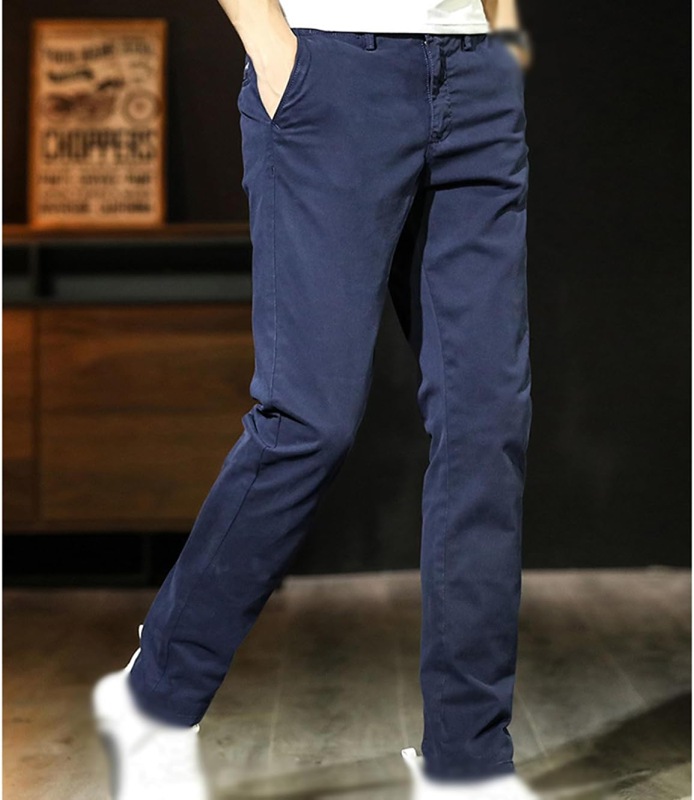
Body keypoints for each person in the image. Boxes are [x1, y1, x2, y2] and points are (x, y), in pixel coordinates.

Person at [91, 1, 538, 798]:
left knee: (488, 424)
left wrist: (501, 38)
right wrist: (273, 51)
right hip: (328, 73)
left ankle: (468, 764)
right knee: (309, 421)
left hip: (475, 74)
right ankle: (154, 699)